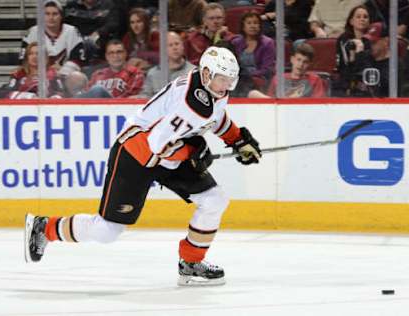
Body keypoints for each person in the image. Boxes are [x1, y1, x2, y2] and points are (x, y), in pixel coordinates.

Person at [24, 46, 262, 286]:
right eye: (223, 79)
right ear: (207, 73)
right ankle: (45, 228)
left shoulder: (213, 88)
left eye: (231, 80)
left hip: (170, 152)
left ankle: (190, 263)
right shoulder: (190, 102)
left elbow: (215, 117)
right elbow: (157, 144)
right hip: (136, 154)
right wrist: (191, 151)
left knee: (214, 200)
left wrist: (237, 139)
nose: (227, 85)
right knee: (107, 231)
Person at [20, 0, 86, 75]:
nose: (51, 17)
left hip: (66, 75)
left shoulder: (72, 31)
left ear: (61, 16)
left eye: (55, 14)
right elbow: (24, 59)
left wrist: (62, 71)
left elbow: (77, 60)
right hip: (38, 75)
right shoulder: (33, 32)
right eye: (47, 14)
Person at [248, 42, 328, 98]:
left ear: (309, 64)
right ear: (292, 59)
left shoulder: (315, 80)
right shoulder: (278, 78)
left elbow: (318, 104)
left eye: (305, 62)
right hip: (281, 111)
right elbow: (271, 101)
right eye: (298, 60)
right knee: (253, 94)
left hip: (303, 113)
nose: (300, 64)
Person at [137, 32, 195, 98]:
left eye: (177, 44)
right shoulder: (153, 73)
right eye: (170, 45)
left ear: (182, 46)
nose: (174, 47)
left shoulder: (193, 72)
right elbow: (145, 97)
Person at [230, 11, 275, 96]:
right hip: (239, 77)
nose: (253, 26)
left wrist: (249, 75)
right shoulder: (236, 42)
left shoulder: (268, 43)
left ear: (260, 26)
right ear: (243, 26)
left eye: (256, 23)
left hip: (260, 77)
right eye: (249, 23)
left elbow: (267, 69)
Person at [333, 5, 372, 96]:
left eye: (365, 17)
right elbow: (344, 67)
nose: (362, 19)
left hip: (367, 82)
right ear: (351, 21)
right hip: (347, 80)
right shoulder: (343, 40)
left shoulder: (371, 40)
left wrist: (358, 53)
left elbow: (368, 67)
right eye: (358, 17)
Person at [122, 7, 160, 72]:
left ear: (145, 22)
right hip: (132, 72)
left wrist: (140, 57)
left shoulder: (155, 35)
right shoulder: (127, 37)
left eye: (138, 21)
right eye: (132, 22)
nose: (135, 26)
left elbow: (160, 57)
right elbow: (122, 57)